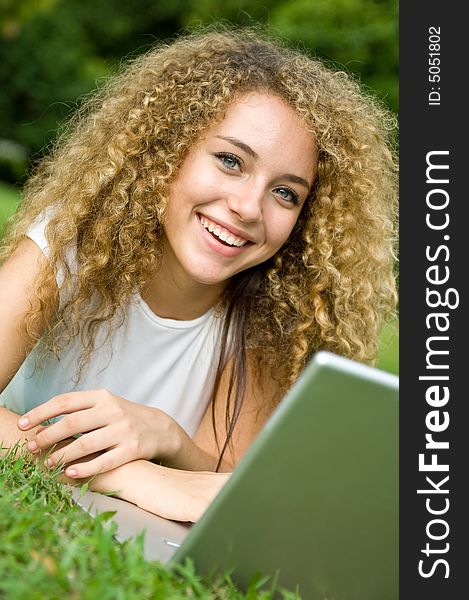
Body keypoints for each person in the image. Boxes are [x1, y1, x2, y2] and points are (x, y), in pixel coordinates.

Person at [0, 27, 397, 522]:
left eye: (286, 193)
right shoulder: (69, 243)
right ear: (167, 151)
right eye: (231, 161)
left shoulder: (271, 316)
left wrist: (167, 436)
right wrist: (131, 475)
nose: (247, 207)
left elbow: (231, 475)